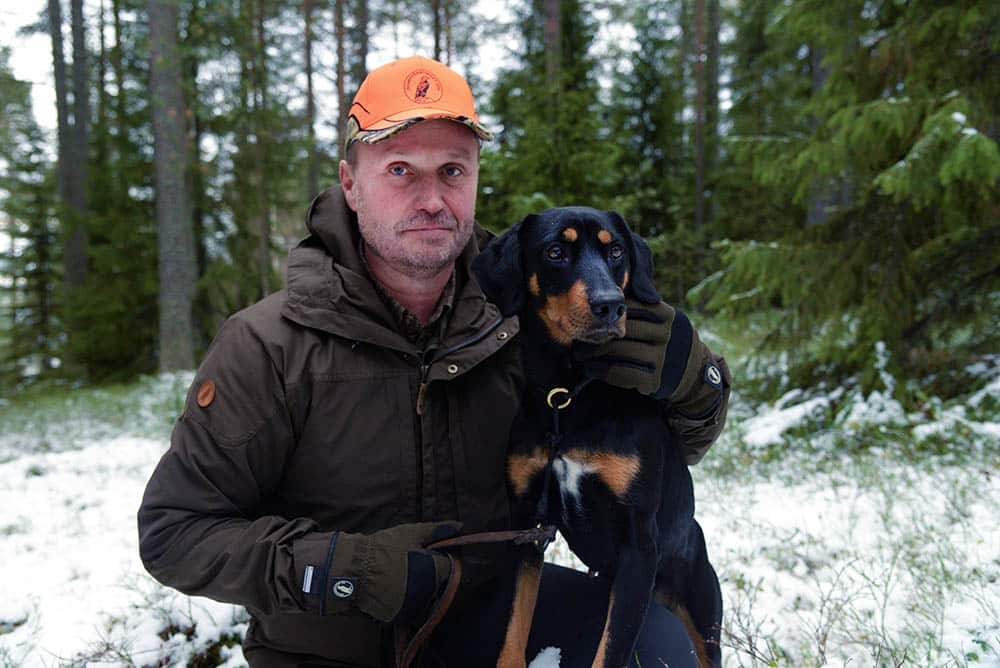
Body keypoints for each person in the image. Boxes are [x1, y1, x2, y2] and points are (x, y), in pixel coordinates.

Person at [137, 55, 732, 668]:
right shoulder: (268, 346)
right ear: (349, 182)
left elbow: (655, 464)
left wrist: (696, 384)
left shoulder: (534, 315)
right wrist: (350, 571)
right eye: (400, 170)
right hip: (328, 649)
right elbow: (173, 531)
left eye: (452, 170)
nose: (431, 199)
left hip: (491, 626)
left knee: (660, 649)